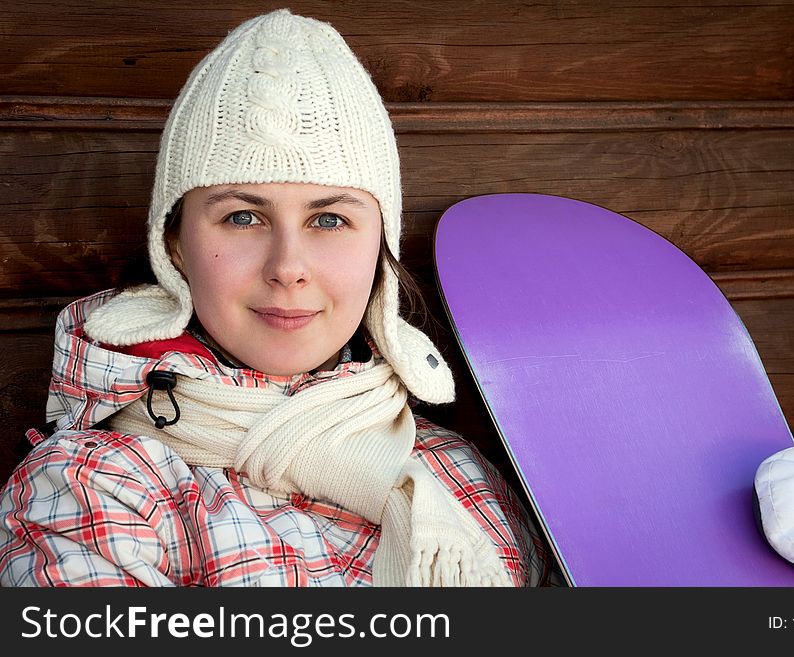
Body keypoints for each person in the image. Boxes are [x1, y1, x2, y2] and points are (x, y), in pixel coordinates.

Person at [0, 9, 559, 587]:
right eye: (243, 217)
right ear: (175, 244)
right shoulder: (93, 488)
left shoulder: (457, 477)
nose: (287, 268)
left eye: (331, 219)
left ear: (381, 247)